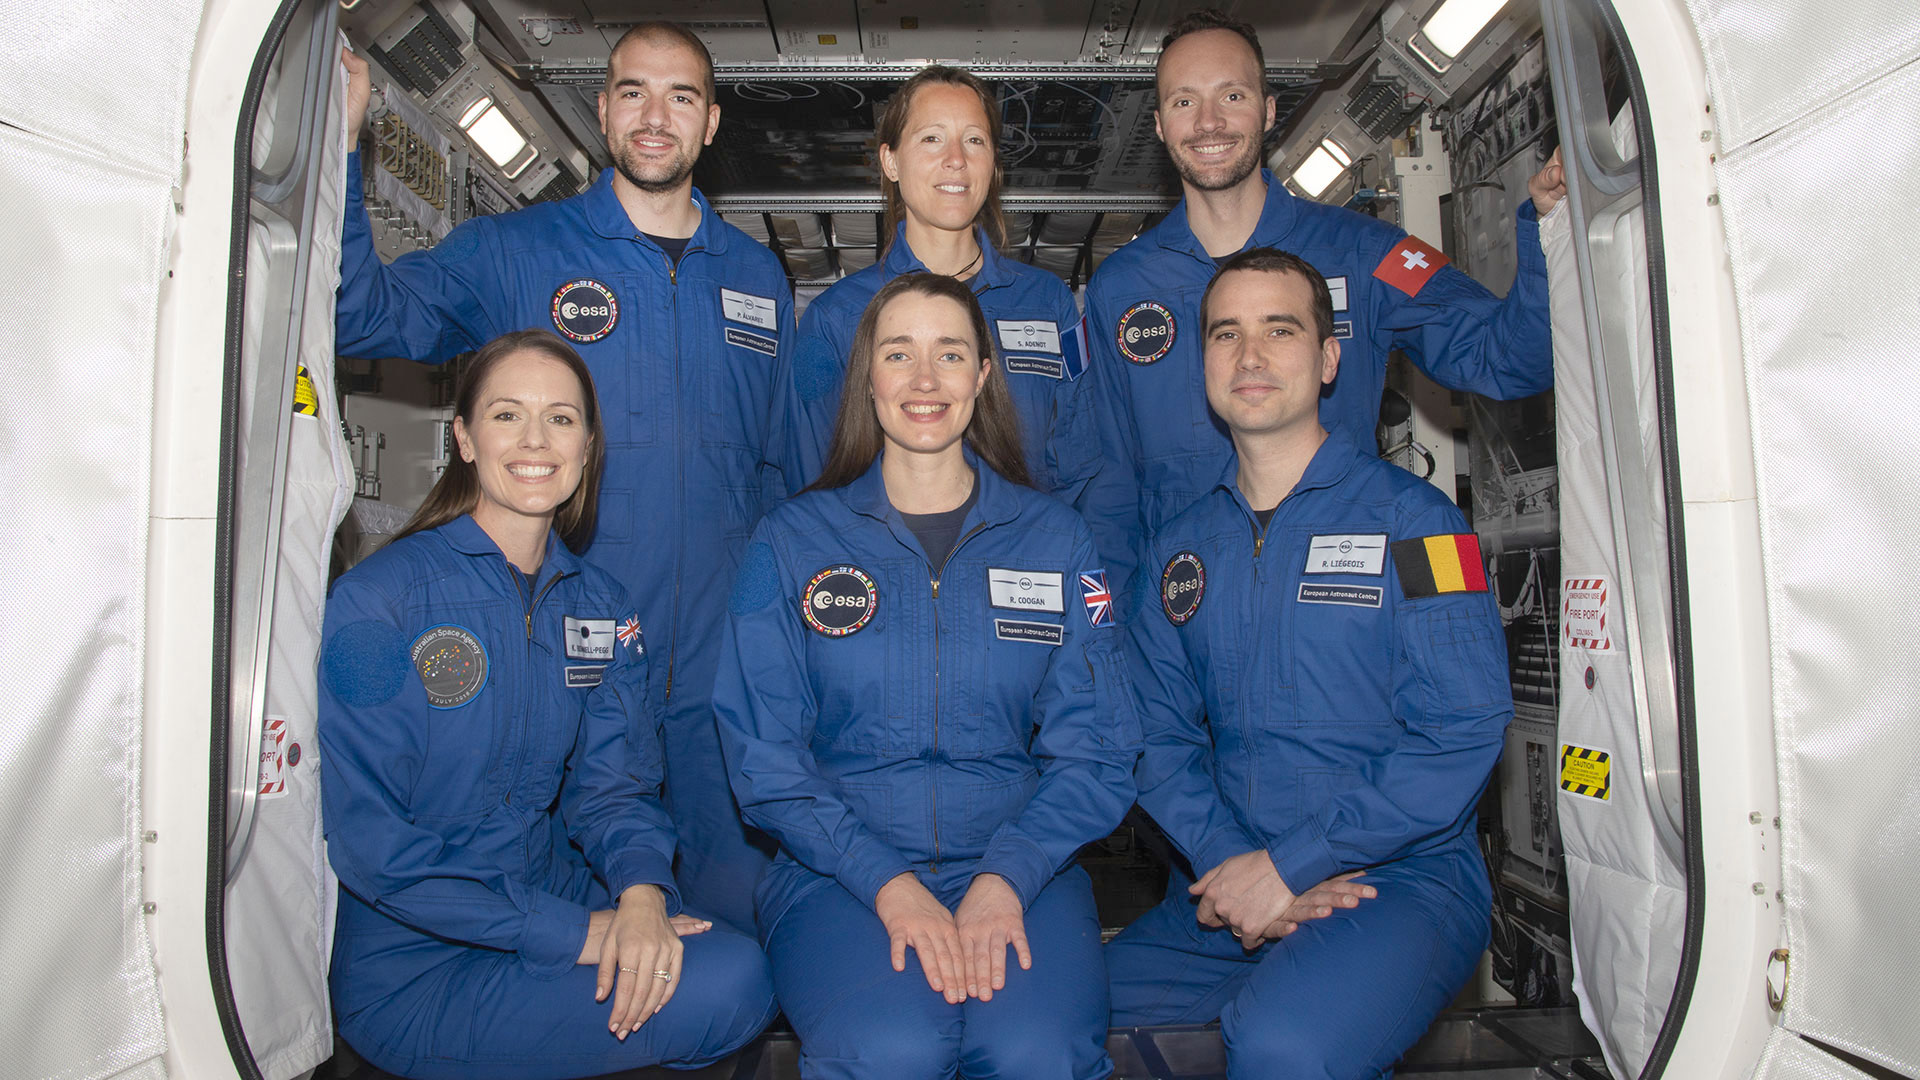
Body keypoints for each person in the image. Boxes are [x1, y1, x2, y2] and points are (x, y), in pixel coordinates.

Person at [336, 22, 793, 932]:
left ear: (711, 123)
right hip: (571, 662)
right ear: (602, 110)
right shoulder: (515, 252)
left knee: (739, 934)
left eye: (682, 97)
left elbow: (781, 465)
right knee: (590, 926)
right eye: (633, 92)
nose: (655, 117)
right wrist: (346, 146)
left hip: (719, 666)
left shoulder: (758, 278)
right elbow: (363, 316)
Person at [317, 330, 776, 1079]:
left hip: (550, 898)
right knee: (722, 991)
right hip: (421, 962)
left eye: (561, 419)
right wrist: (578, 934)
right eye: (506, 416)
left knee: (739, 963)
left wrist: (638, 893)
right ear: (464, 438)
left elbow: (616, 787)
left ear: (589, 446)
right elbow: (373, 849)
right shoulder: (382, 604)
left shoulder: (598, 605)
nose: (536, 440)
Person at [714, 274, 1140, 1079]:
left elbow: (1101, 748)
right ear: (865, 376)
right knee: (891, 1050)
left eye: (950, 354)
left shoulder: (1055, 539)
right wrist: (889, 883)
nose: (923, 380)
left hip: (1022, 865)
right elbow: (763, 756)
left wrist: (1007, 876)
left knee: (1036, 1053)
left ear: (983, 376)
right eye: (898, 353)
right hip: (839, 870)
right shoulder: (792, 540)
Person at [1104, 250, 1514, 1078]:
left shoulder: (1422, 526)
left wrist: (1296, 864)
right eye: (1227, 334)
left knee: (1284, 1046)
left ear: (1328, 360)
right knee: (1061, 1026)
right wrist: (1233, 864)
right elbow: (1152, 730)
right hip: (1230, 876)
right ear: (1205, 364)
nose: (1251, 356)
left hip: (1399, 880)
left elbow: (1464, 728)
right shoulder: (1180, 548)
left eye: (1279, 330)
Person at [1084, 7, 1566, 567]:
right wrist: (1108, 633)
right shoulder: (1120, 287)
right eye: (1184, 101)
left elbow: (1510, 360)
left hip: (1331, 591)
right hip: (1179, 605)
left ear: (1268, 112)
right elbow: (1108, 485)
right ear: (1162, 125)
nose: (1209, 122)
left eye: (1232, 96)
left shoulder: (1370, 253)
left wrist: (1550, 231)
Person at [790, 65, 1135, 582]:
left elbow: (1088, 470)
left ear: (994, 164)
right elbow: (811, 485)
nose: (956, 159)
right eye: (932, 138)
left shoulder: (1047, 304)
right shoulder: (835, 318)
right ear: (890, 161)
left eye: (974, 140)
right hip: (885, 590)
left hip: (1027, 585)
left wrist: (1098, 602)